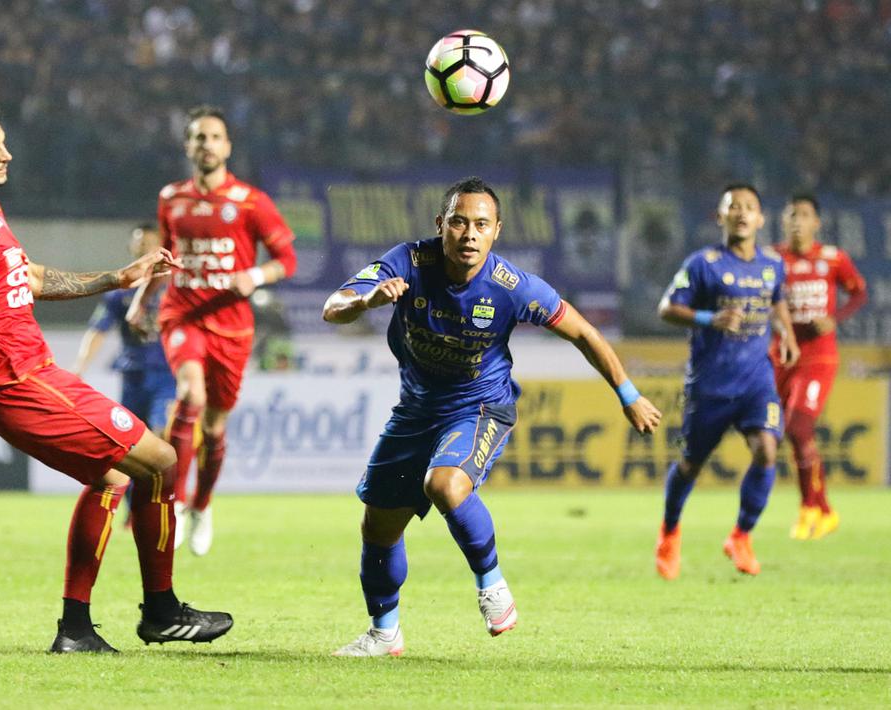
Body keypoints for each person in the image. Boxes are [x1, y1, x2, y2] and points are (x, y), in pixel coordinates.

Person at [0, 103, 232, 654]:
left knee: (111, 480)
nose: (7, 154)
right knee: (160, 462)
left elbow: (31, 278)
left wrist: (119, 276)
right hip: (12, 383)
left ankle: (76, 630)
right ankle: (160, 610)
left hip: (34, 372)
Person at [322, 177, 661, 656]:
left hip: (479, 405)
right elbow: (332, 307)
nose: (469, 234)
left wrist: (627, 394)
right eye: (459, 222)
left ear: (496, 231)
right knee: (378, 525)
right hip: (416, 409)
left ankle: (492, 583)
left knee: (444, 484)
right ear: (441, 225)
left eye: (481, 224)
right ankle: (384, 633)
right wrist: (366, 300)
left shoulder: (512, 286)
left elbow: (583, 332)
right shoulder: (407, 261)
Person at [129, 105, 297, 556]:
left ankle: (202, 505)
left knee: (216, 426)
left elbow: (287, 259)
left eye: (214, 137)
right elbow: (163, 257)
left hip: (233, 326)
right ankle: (177, 503)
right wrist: (141, 300)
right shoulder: (172, 198)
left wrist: (255, 277)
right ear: (188, 146)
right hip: (182, 315)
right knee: (190, 394)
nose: (206, 145)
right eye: (198, 137)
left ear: (228, 147)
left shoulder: (251, 202)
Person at [654, 183, 801, 580]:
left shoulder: (772, 265)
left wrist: (785, 332)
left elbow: (776, 301)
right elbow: (667, 308)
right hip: (710, 385)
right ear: (720, 217)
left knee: (767, 450)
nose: (741, 212)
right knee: (690, 465)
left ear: (760, 218)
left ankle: (741, 535)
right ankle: (669, 531)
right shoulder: (704, 263)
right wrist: (709, 319)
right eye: (733, 206)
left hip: (756, 381)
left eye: (749, 207)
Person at [774, 193, 867, 540]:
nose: (797, 221)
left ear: (817, 223)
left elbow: (859, 292)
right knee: (792, 434)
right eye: (792, 214)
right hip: (783, 356)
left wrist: (834, 319)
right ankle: (824, 509)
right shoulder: (773, 259)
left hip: (819, 357)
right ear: (784, 221)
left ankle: (808, 509)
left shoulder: (833, 259)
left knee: (799, 429)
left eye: (805, 215)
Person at [72, 224, 178, 437]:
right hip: (133, 376)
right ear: (131, 248)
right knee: (131, 440)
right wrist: (79, 368)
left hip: (168, 374)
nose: (144, 250)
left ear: (162, 247)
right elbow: (98, 330)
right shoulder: (120, 292)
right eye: (140, 244)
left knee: (163, 433)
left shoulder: (176, 287)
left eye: (150, 244)